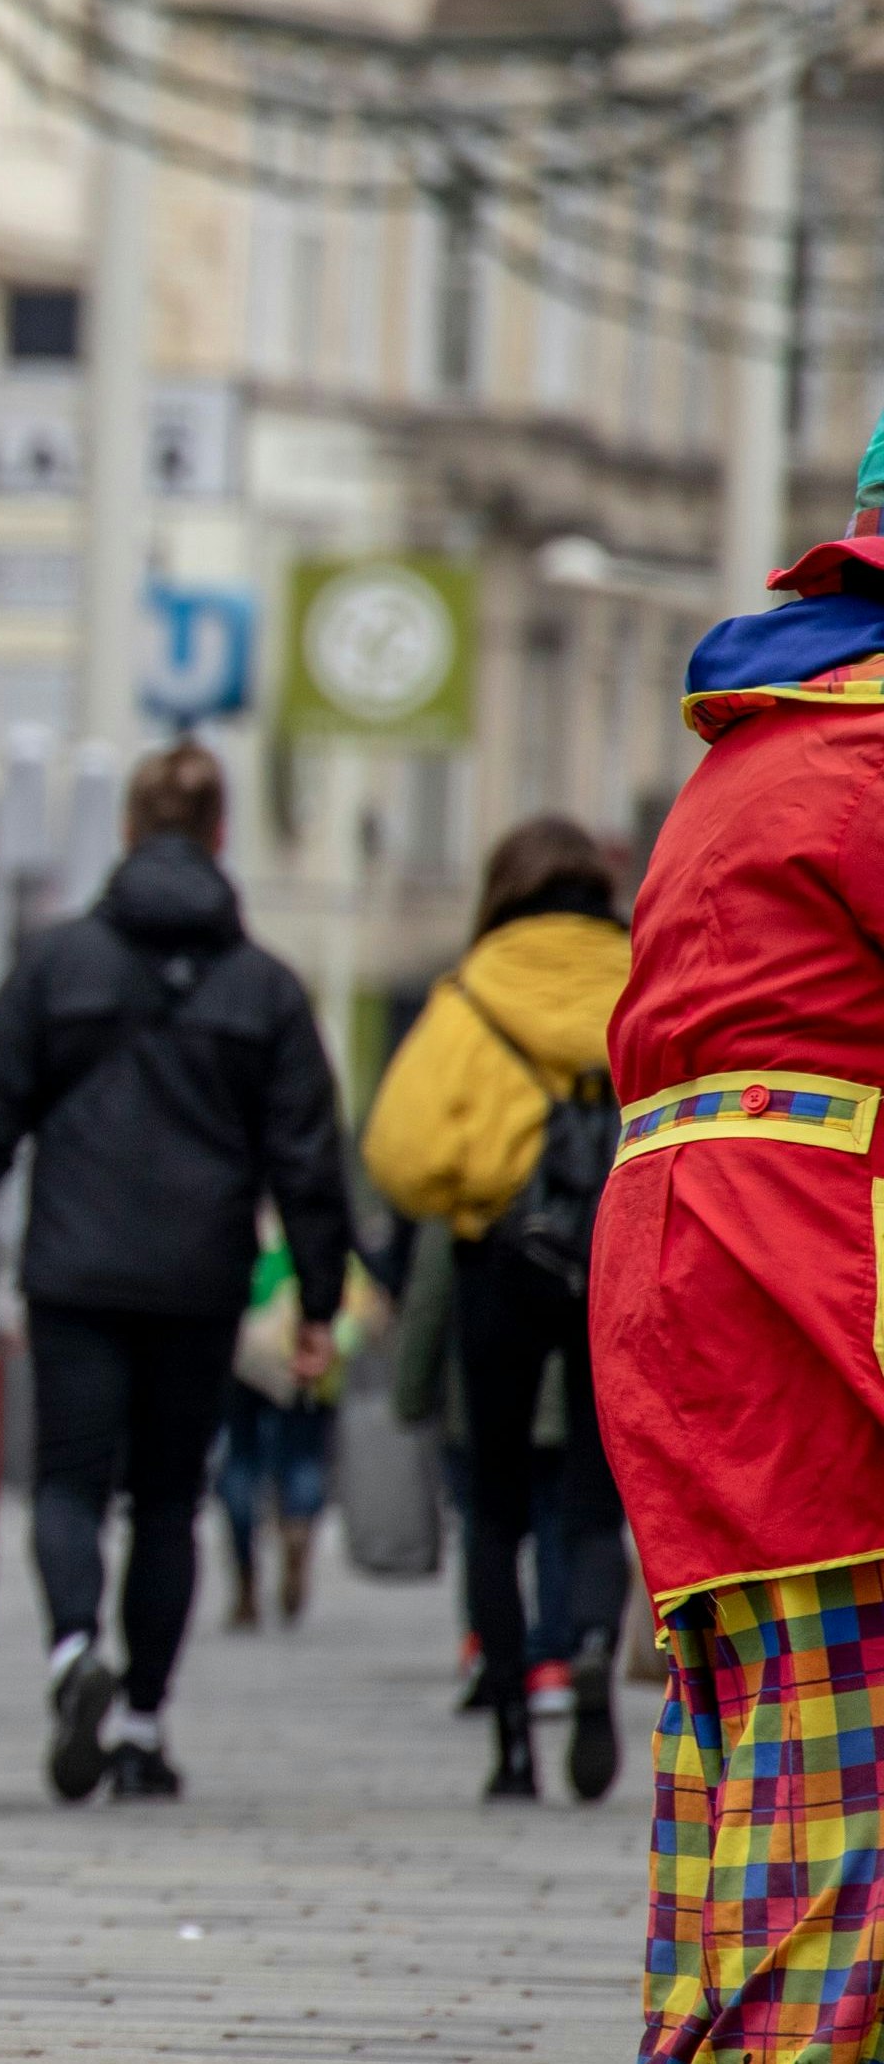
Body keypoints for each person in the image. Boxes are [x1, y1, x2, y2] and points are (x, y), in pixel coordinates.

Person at [0, 743, 348, 1803]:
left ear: (129, 831)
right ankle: (143, 1727)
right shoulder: (265, 988)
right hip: (199, 1281)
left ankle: (72, 1654)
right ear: (221, 836)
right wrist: (318, 1300)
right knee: (166, 1503)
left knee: (68, 1483)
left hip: (75, 1271)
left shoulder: (58, 965)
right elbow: (306, 1158)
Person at [590, 453, 884, 2056]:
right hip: (813, 1265)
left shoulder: (763, 743)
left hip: (685, 1263)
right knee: (852, 1787)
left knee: (746, 1757)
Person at [359, 814, 632, 1802]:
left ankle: (513, 1740)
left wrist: (472, 1188)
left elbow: (399, 1150)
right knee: (598, 1496)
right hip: (616, 1254)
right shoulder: (643, 976)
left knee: (496, 1504)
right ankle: (593, 1644)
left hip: (502, 1260)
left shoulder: (471, 995)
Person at [211, 1244, 333, 1634]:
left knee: (240, 1458)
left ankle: (245, 1580)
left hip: (239, 1347)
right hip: (299, 1344)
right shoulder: (309, 1220)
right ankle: (297, 1528)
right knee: (303, 1456)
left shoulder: (237, 1217)